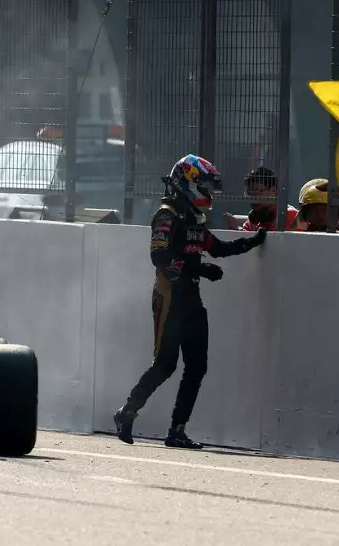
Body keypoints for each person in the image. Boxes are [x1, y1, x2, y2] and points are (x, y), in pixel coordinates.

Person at [113, 154, 267, 449]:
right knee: (165, 365)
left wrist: (253, 241)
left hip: (192, 301)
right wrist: (200, 268)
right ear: (188, 182)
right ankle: (127, 412)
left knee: (197, 366)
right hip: (169, 298)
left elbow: (218, 249)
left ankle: (177, 430)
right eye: (205, 185)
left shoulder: (195, 219)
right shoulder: (166, 215)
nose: (210, 193)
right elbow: (160, 258)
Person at [221, 166, 299, 231]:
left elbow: (274, 243)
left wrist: (238, 230)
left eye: (256, 192)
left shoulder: (290, 216)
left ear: (274, 191)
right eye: (249, 193)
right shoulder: (254, 219)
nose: (252, 197)